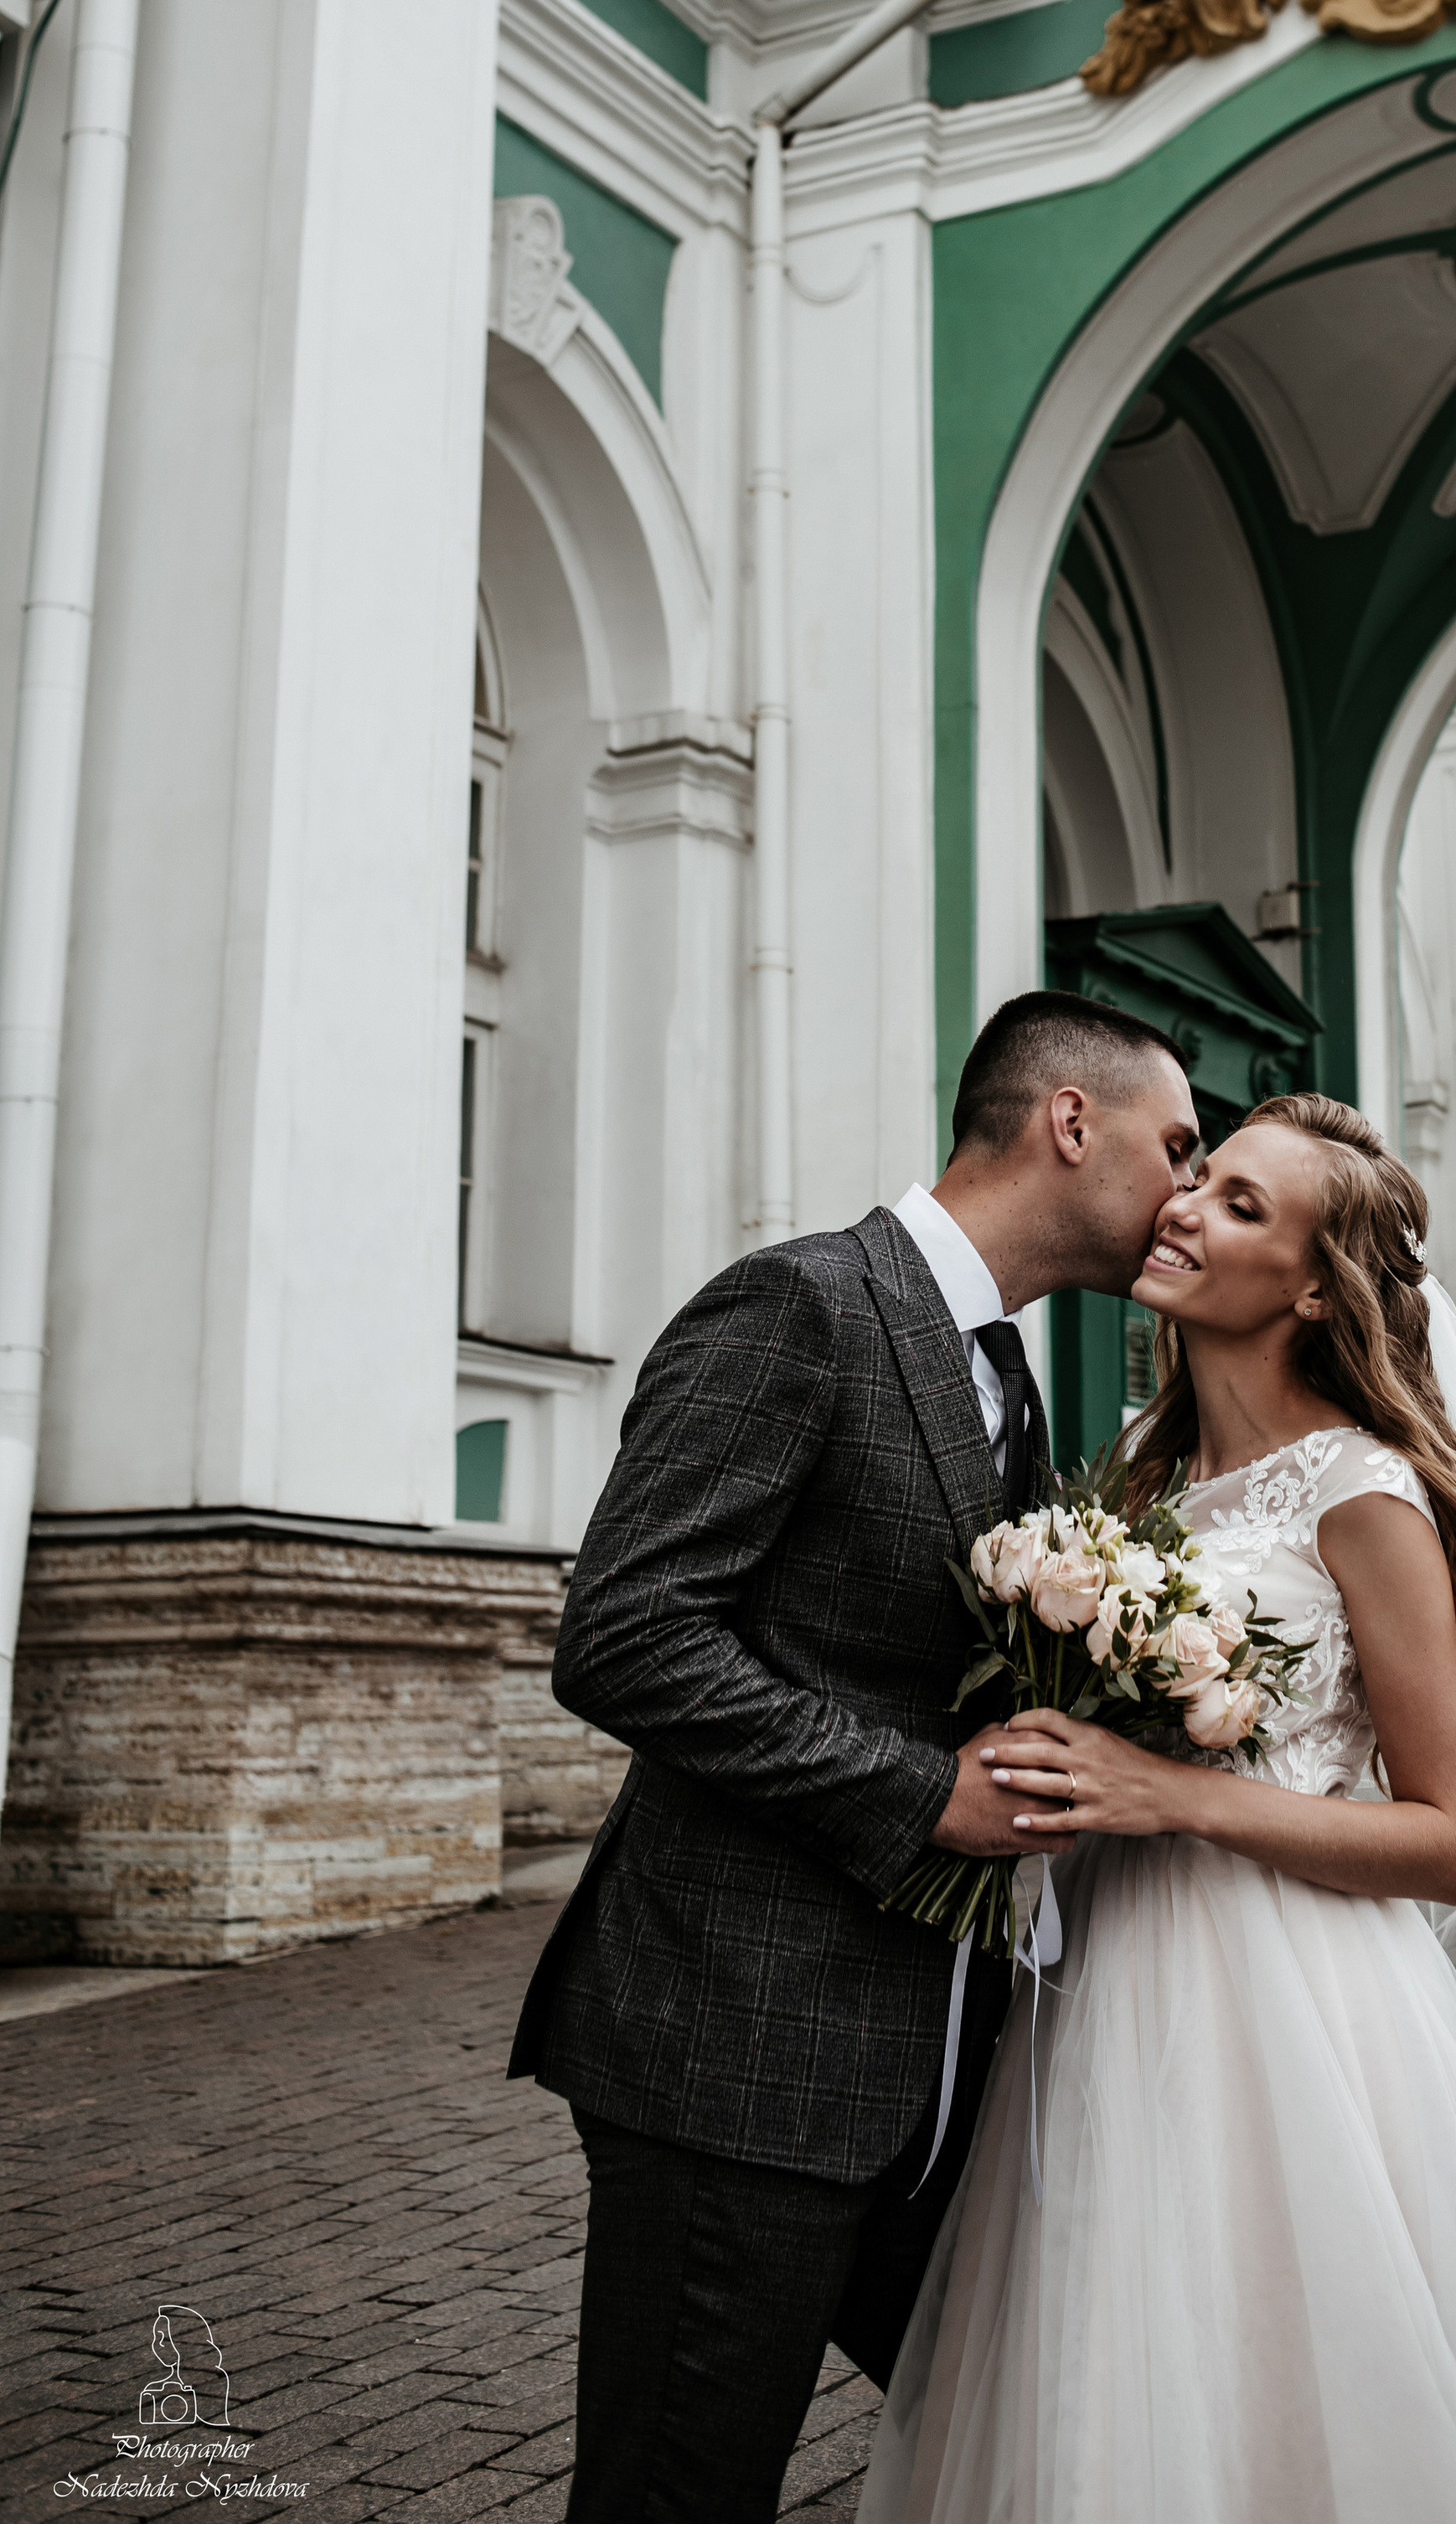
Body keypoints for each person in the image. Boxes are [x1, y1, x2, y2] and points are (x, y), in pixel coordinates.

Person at [861, 1092, 1456, 2524]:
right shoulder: (1138, 1474)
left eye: (1240, 1205)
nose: (1185, 1207)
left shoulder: (1365, 1492)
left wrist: (1173, 1795)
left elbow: (1450, 1840)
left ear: (1313, 1287)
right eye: (1202, 1175)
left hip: (1296, 2006)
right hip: (1105, 1974)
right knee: (1108, 2352)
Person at [509, 990, 1202, 2522]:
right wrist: (924, 1793)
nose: (1188, 1187)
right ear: (1069, 1121)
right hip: (738, 2050)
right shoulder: (804, 1306)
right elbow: (623, 1633)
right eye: (1177, 1145)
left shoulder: (1007, 1372)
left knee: (1027, 2458)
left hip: (927, 2070)